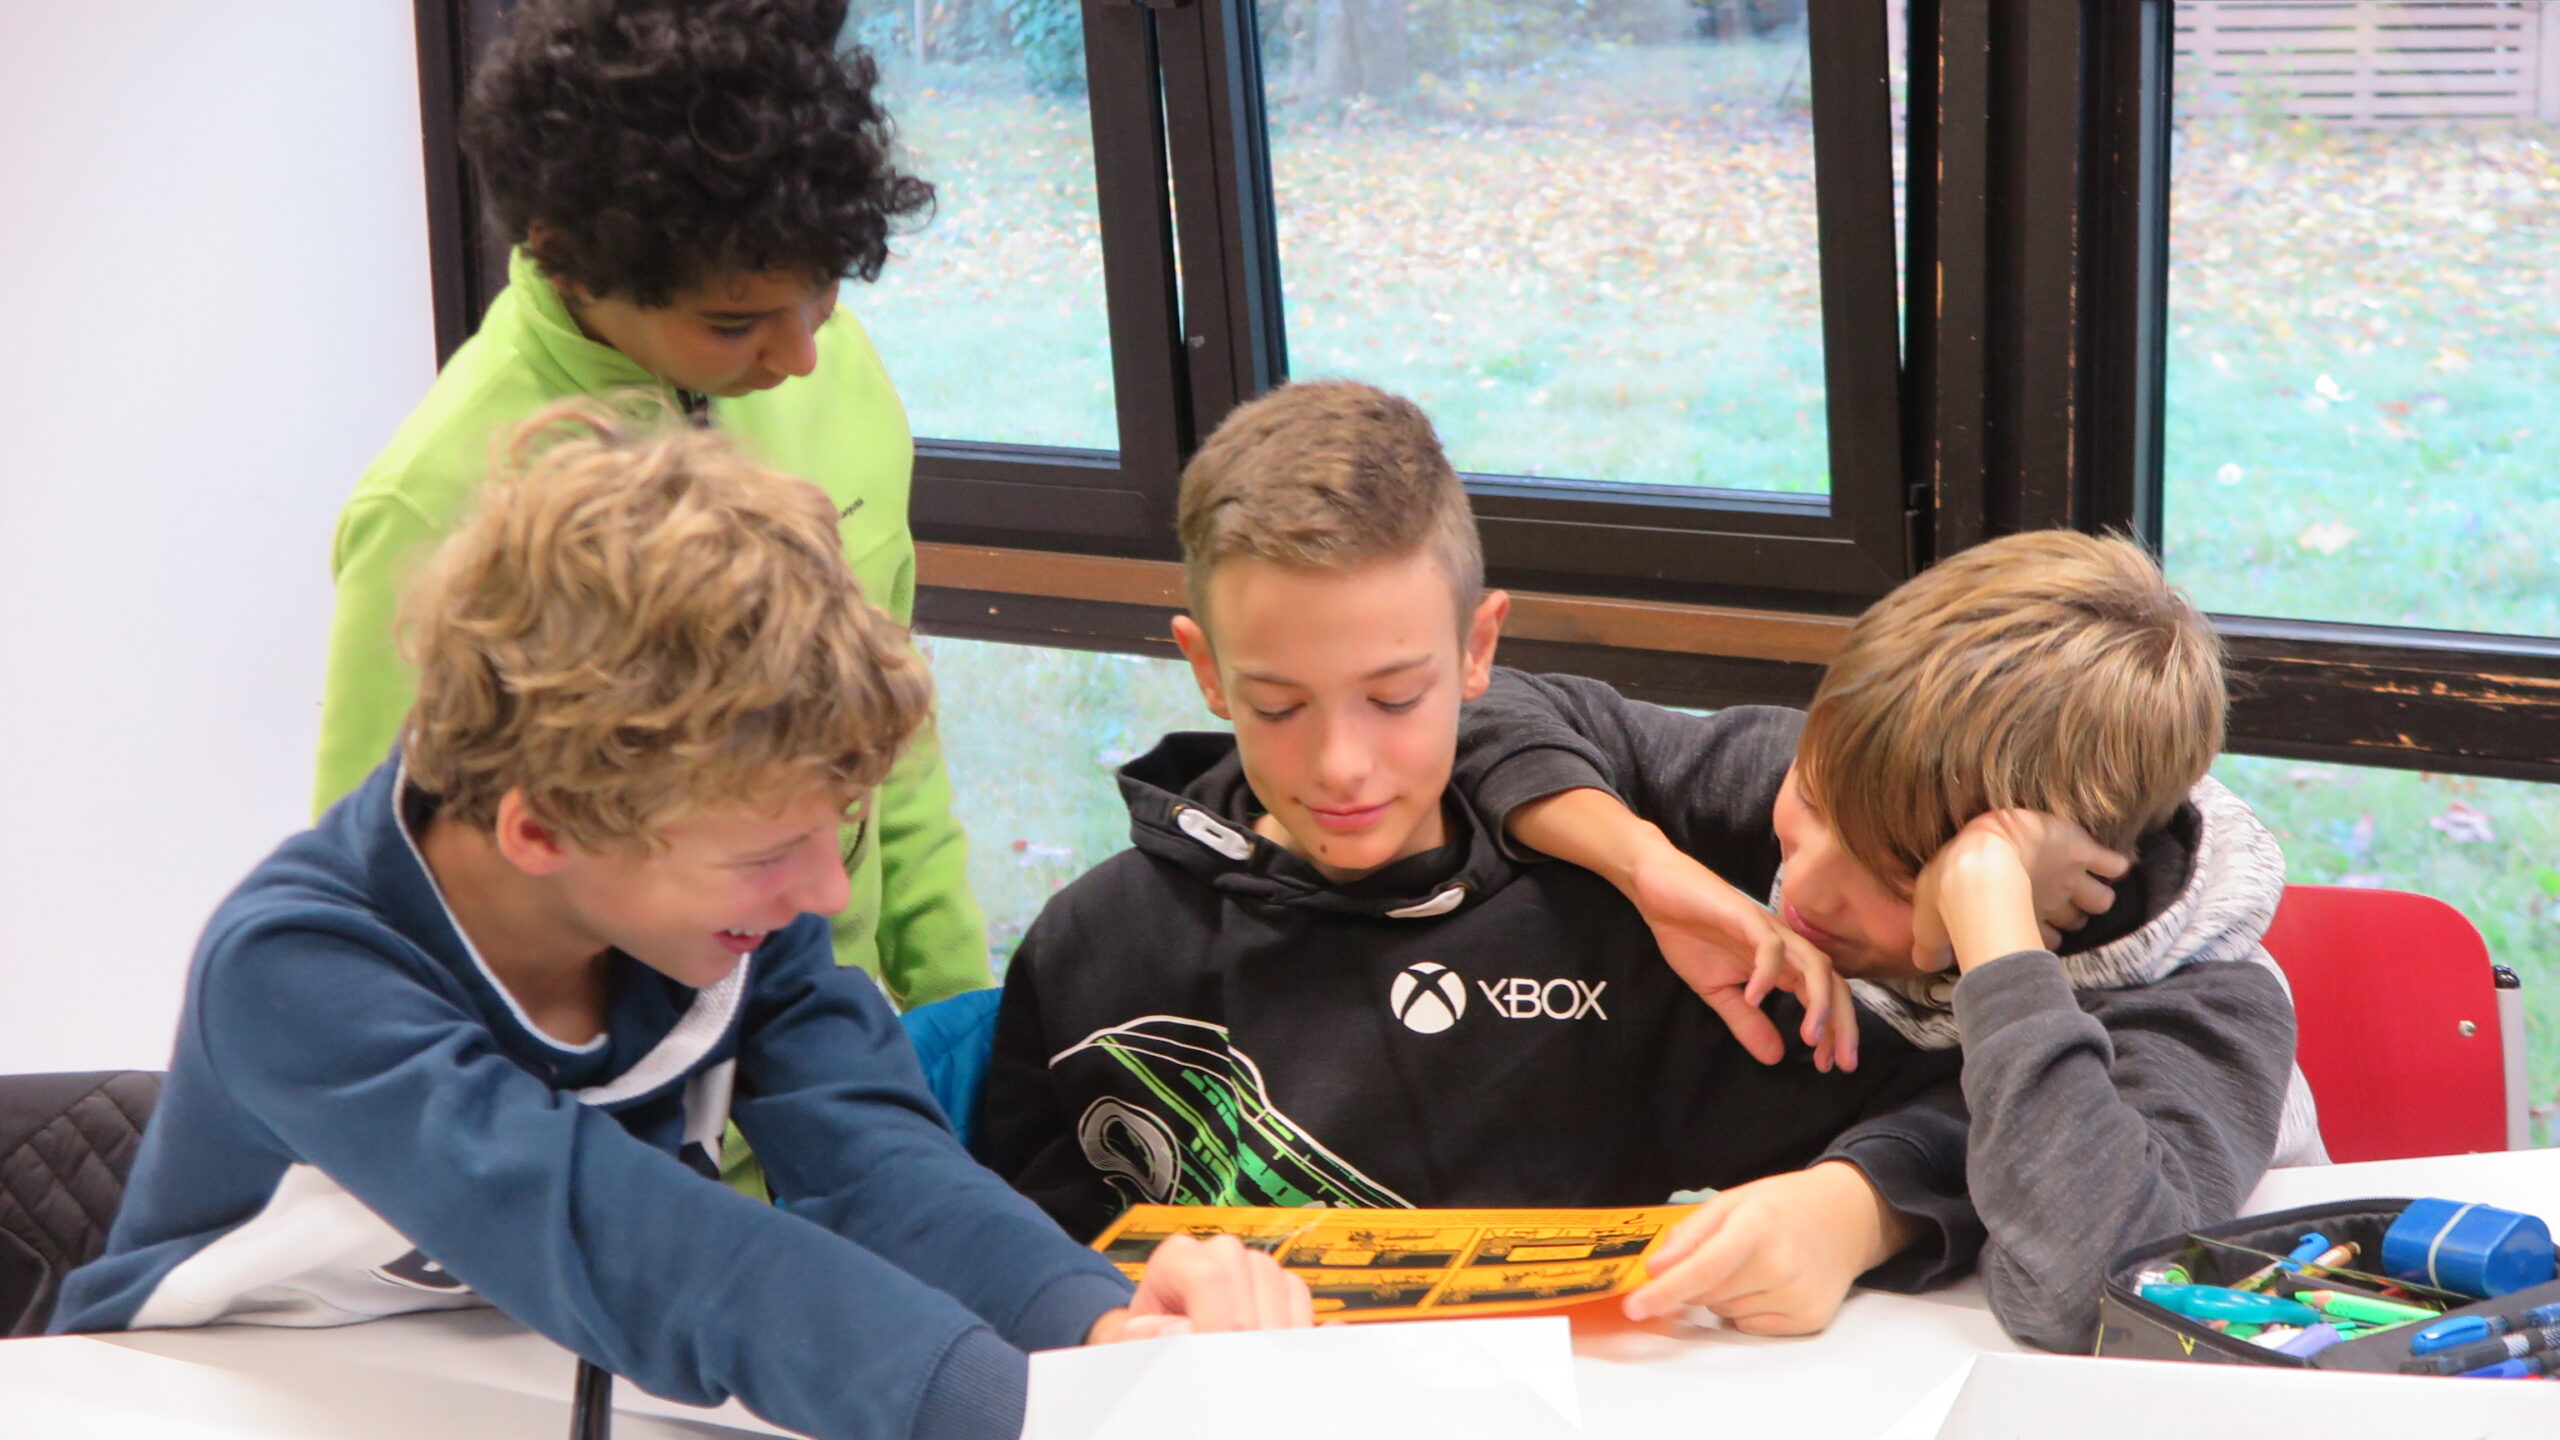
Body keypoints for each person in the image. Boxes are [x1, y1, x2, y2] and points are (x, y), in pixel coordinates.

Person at [53, 406, 1311, 1440]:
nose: (823, 894)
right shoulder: (298, 973)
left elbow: (877, 1162)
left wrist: (1094, 1325)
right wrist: (1012, 1410)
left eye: (833, 834)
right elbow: (647, 1252)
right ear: (544, 831)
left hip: (538, 1376)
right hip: (205, 1395)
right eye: (767, 853)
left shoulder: (725, 905)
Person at [972, 381, 1983, 1327]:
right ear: (1205, 668)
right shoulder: (1092, 950)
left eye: (1394, 698)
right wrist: (1112, 1305)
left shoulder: (1609, 930)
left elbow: (1966, 1111)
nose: (1341, 766)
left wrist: (1853, 1212)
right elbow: (997, 1255)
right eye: (1277, 706)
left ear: (1477, 650)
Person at [1445, 528, 2328, 1351]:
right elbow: (1490, 705)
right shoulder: (1879, 785)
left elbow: (2087, 1295)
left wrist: (1996, 940)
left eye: (1899, 882)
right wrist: (1645, 866)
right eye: (1810, 800)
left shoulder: (2209, 1009)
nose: (1808, 886)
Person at [314, 0, 986, 1007]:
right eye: (733, 323)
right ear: (569, 259)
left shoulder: (828, 365)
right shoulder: (435, 500)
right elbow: (381, 909)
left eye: (823, 295)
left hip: (830, 1040)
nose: (800, 355)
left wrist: (957, 1010)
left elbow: (892, 743)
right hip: (592, 1078)